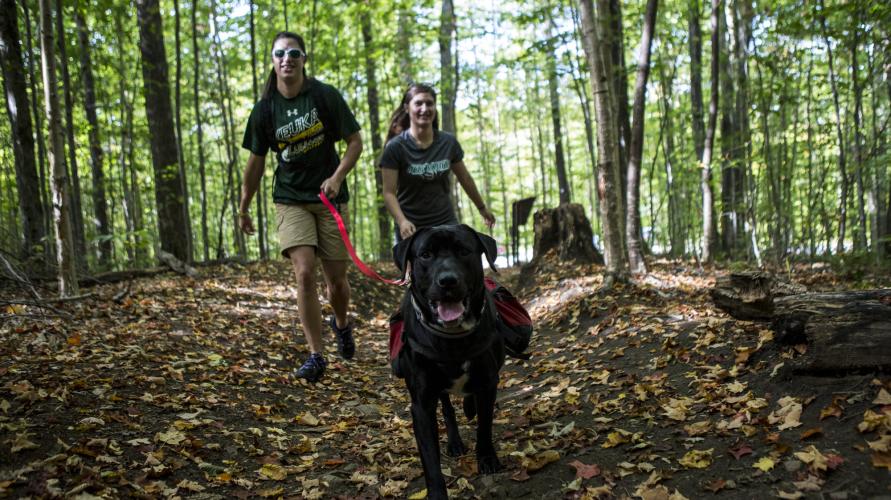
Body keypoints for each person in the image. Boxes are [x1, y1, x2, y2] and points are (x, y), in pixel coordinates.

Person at [239, 31, 363, 383]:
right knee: (304, 272)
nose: (287, 59)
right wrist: (244, 206)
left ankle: (341, 324)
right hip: (290, 198)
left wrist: (338, 177)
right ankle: (316, 355)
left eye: (294, 53)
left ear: (304, 59)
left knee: (336, 282)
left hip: (329, 199)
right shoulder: (264, 110)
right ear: (273, 61)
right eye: (280, 53)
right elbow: (256, 163)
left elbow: (355, 142)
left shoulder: (324, 96)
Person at [379, 83, 495, 242]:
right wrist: (402, 221)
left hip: (445, 222)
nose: (425, 108)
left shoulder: (448, 143)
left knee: (455, 265)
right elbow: (388, 192)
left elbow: (465, 179)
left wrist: (482, 208)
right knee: (415, 267)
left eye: (429, 103)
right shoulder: (395, 147)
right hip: (411, 226)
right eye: (418, 103)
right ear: (407, 108)